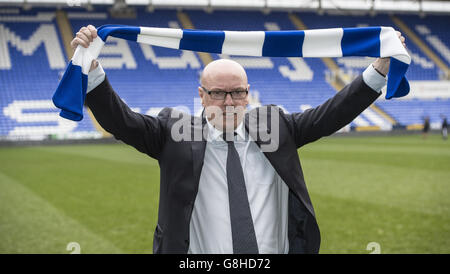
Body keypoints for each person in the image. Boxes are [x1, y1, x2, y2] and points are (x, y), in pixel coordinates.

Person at [71, 25, 406, 254]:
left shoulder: (277, 127)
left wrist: (379, 69)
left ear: (248, 94)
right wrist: (93, 68)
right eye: (218, 93)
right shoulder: (172, 132)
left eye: (237, 92)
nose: (229, 102)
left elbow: (332, 113)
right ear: (202, 95)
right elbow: (122, 121)